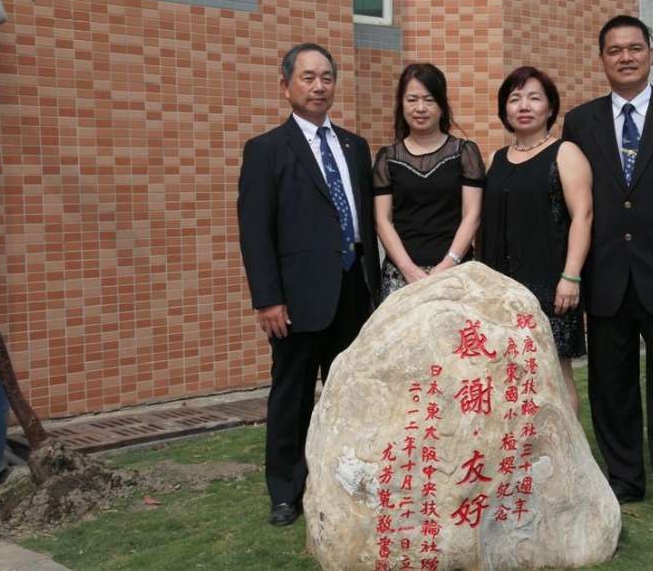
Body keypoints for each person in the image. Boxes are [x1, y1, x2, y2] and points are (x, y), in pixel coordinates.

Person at [562, 15, 653, 535]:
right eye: (614, 50)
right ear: (601, 59)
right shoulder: (580, 122)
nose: (625, 57)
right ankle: (625, 480)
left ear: (649, 53)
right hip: (606, 272)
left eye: (634, 48)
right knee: (612, 385)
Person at [237, 43, 380, 527]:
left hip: (353, 291)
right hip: (296, 300)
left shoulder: (355, 147)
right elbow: (255, 232)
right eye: (308, 77)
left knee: (350, 394)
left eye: (326, 78)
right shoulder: (265, 150)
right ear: (286, 87)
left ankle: (346, 480)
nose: (319, 86)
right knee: (292, 397)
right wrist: (268, 299)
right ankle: (285, 491)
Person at [480, 66, 592, 417]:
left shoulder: (566, 153)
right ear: (505, 109)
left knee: (555, 375)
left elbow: (583, 215)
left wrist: (571, 276)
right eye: (515, 99)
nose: (524, 106)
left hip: (551, 285)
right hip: (501, 288)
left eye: (534, 98)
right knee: (506, 374)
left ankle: (567, 449)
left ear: (550, 107)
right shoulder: (495, 159)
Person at [373, 63, 484, 299]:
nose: (420, 108)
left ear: (442, 106)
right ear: (401, 105)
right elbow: (382, 220)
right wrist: (408, 269)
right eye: (412, 100)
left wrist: (447, 265)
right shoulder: (387, 158)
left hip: (456, 271)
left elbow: (472, 215)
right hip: (400, 275)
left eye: (429, 100)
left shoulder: (465, 152)